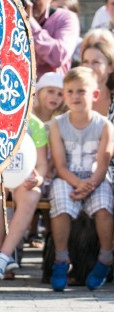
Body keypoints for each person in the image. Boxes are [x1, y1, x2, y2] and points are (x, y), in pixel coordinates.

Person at [47, 66, 114, 292]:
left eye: (82, 91)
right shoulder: (58, 125)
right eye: (71, 91)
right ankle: (61, 258)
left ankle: (105, 257)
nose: (76, 96)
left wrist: (90, 185)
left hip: (95, 178)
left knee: (104, 207)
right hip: (68, 177)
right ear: (65, 95)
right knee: (61, 203)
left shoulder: (104, 125)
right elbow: (59, 164)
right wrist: (77, 184)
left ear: (94, 95)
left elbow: (103, 163)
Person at [0, 105, 50, 280]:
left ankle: (3, 256)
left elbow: (42, 164)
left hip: (25, 178)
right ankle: (3, 256)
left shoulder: (35, 125)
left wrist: (38, 179)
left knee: (31, 196)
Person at [18, 0, 79, 78]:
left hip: (52, 91)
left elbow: (59, 57)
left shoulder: (66, 18)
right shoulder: (10, 19)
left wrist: (30, 22)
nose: (30, 2)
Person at [80, 41, 114, 115]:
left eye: (96, 62)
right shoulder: (71, 98)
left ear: (110, 68)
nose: (89, 67)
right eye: (85, 62)